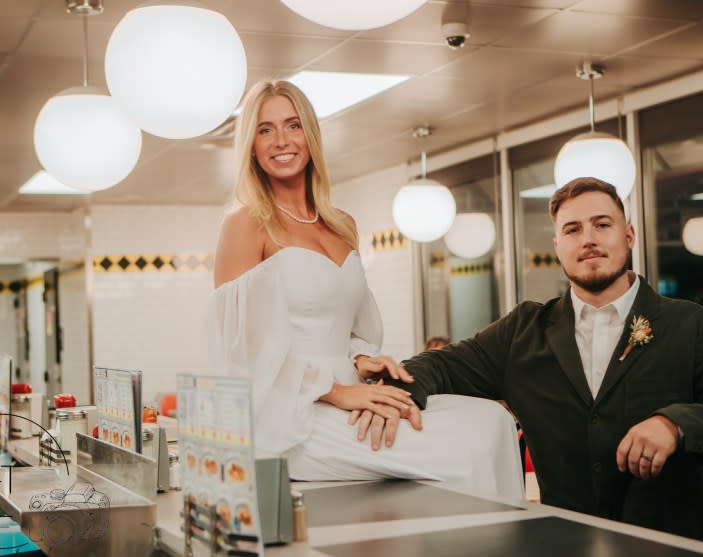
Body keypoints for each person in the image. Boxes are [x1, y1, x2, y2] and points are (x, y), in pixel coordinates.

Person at [370, 177, 703, 540]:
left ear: (629, 235)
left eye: (602, 224)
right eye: (572, 229)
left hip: (673, 554)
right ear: (557, 246)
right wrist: (382, 392)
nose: (589, 239)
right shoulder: (523, 332)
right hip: (565, 552)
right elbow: (438, 366)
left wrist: (675, 424)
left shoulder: (689, 324)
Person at [207, 79, 522, 499]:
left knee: (489, 421)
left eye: (293, 125)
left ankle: (505, 545)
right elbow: (240, 350)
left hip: (354, 391)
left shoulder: (342, 224)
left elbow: (349, 326)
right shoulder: (245, 222)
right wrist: (337, 393)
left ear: (310, 136)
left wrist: (362, 360)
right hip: (289, 416)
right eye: (265, 130)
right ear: (250, 145)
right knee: (457, 448)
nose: (281, 140)